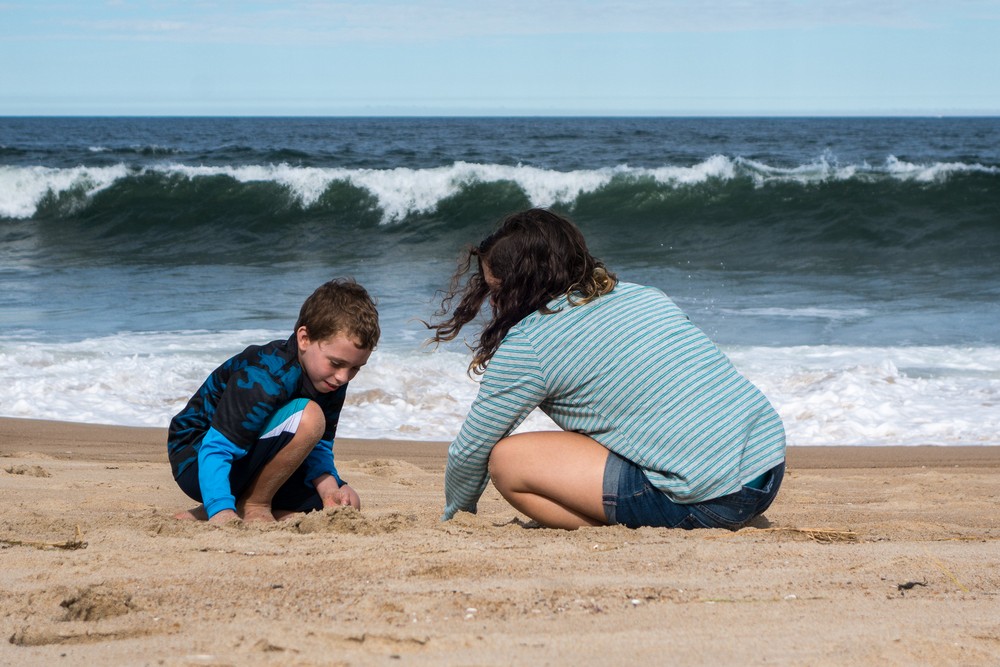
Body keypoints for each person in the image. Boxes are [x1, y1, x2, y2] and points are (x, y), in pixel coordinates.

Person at [428, 209, 785, 530]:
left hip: (709, 499)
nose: (492, 302)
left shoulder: (530, 343)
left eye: (496, 290)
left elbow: (470, 451)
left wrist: (457, 516)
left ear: (521, 288)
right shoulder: (641, 294)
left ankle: (609, 527)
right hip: (766, 466)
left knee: (508, 462)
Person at [167, 278, 380, 524]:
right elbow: (217, 448)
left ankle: (217, 510)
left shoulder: (330, 379)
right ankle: (251, 504)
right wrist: (220, 512)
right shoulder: (265, 376)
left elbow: (318, 446)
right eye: (336, 363)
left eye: (355, 368)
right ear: (304, 339)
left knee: (345, 503)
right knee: (310, 417)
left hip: (253, 457)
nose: (344, 377)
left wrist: (330, 489)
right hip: (197, 459)